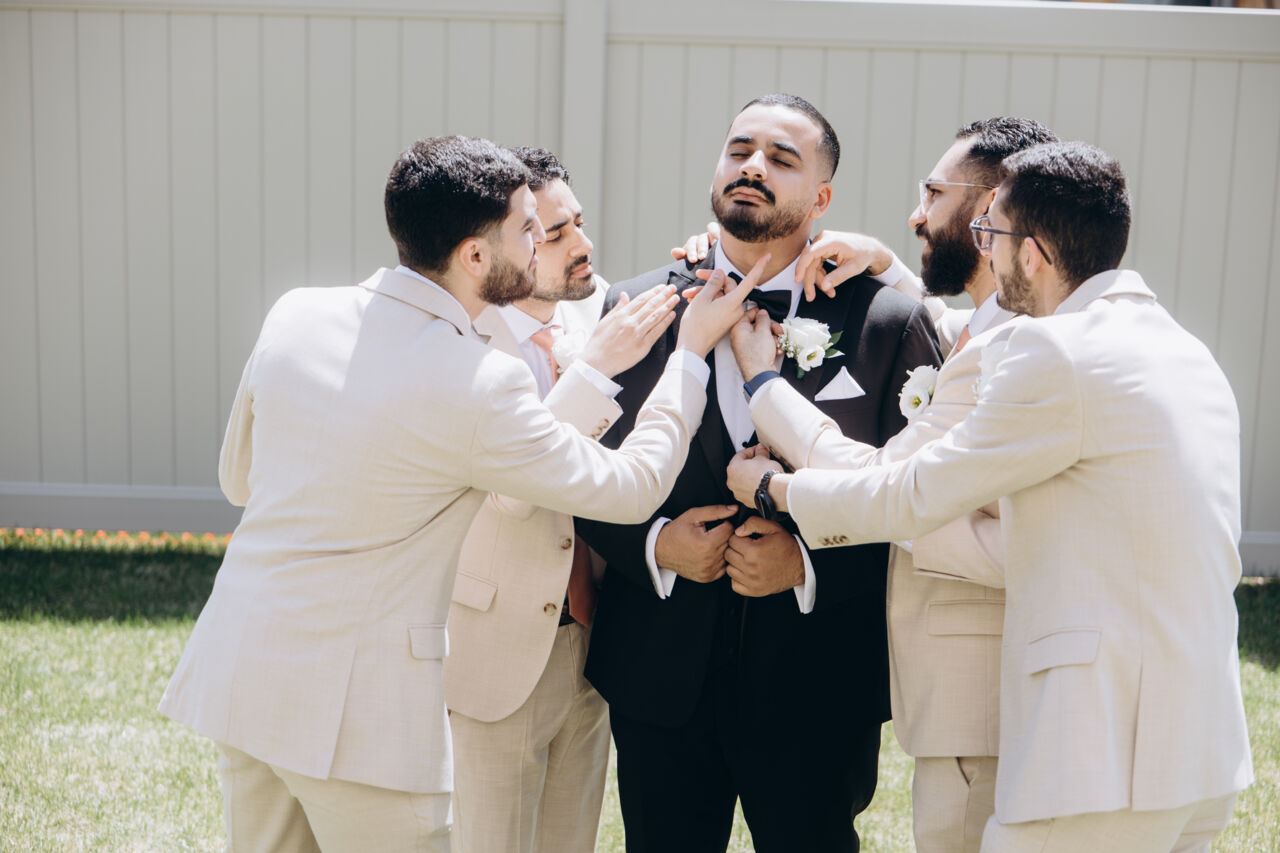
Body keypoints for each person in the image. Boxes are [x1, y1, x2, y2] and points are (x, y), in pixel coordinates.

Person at [158, 135, 760, 853]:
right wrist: (689, 358)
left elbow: (238, 479)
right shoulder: (478, 379)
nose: (544, 245)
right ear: (475, 255)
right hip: (361, 723)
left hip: (242, 681)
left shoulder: (296, 313)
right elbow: (630, 489)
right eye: (530, 230)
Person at [728, 141, 1254, 853]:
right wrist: (886, 265)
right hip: (1201, 751)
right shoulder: (1185, 351)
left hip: (1101, 756)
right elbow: (966, 338)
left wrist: (777, 486)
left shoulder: (1055, 352)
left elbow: (913, 492)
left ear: (1030, 253)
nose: (986, 253)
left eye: (991, 234)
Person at [576, 93, 942, 852]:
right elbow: (576, 468)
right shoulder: (635, 306)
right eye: (739, 150)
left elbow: (924, 499)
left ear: (821, 199)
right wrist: (655, 545)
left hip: (817, 674)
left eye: (781, 159)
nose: (752, 167)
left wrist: (808, 563)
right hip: (660, 671)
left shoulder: (885, 323)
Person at [747, 117, 1057, 853]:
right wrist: (888, 265)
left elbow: (888, 483)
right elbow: (955, 333)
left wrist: (763, 387)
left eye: (932, 194)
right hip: (968, 695)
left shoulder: (1008, 348)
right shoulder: (994, 328)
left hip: (979, 698)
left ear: (991, 211)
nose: (916, 214)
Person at [443, 147, 613, 853]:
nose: (582, 245)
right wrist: (598, 368)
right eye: (555, 233)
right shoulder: (463, 346)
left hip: (594, 642)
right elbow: (514, 493)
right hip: (498, 646)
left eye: (579, 223)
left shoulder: (598, 316)